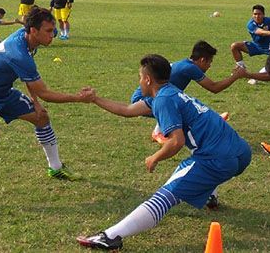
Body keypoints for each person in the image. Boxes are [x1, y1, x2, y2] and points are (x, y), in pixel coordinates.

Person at [76, 54, 252, 250]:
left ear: (148, 79)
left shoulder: (163, 100)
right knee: (194, 170)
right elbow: (127, 109)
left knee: (166, 195)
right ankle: (209, 194)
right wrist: (95, 99)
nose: (140, 81)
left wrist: (155, 157)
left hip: (217, 158)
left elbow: (177, 142)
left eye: (140, 77)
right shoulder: (169, 93)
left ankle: (110, 236)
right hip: (241, 152)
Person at [0, 7, 92, 212]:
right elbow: (45, 92)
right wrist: (78, 98)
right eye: (48, 30)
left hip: (5, 92)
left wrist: (35, 103)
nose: (52, 34)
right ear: (33, 30)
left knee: (41, 118)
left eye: (53, 30)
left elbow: (30, 82)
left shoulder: (28, 41)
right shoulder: (18, 53)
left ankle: (56, 168)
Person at [129, 41, 245, 143]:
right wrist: (236, 76)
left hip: (147, 97)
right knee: (181, 106)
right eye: (209, 62)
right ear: (202, 60)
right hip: (141, 100)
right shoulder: (190, 68)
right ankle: (158, 133)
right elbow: (214, 88)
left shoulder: (185, 64)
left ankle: (210, 120)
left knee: (180, 102)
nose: (210, 66)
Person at [230, 4, 270, 73]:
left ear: (264, 15)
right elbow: (260, 32)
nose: (257, 16)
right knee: (235, 46)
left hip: (269, 46)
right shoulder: (250, 24)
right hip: (256, 46)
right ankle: (241, 67)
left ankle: (258, 75)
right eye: (255, 14)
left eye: (259, 14)